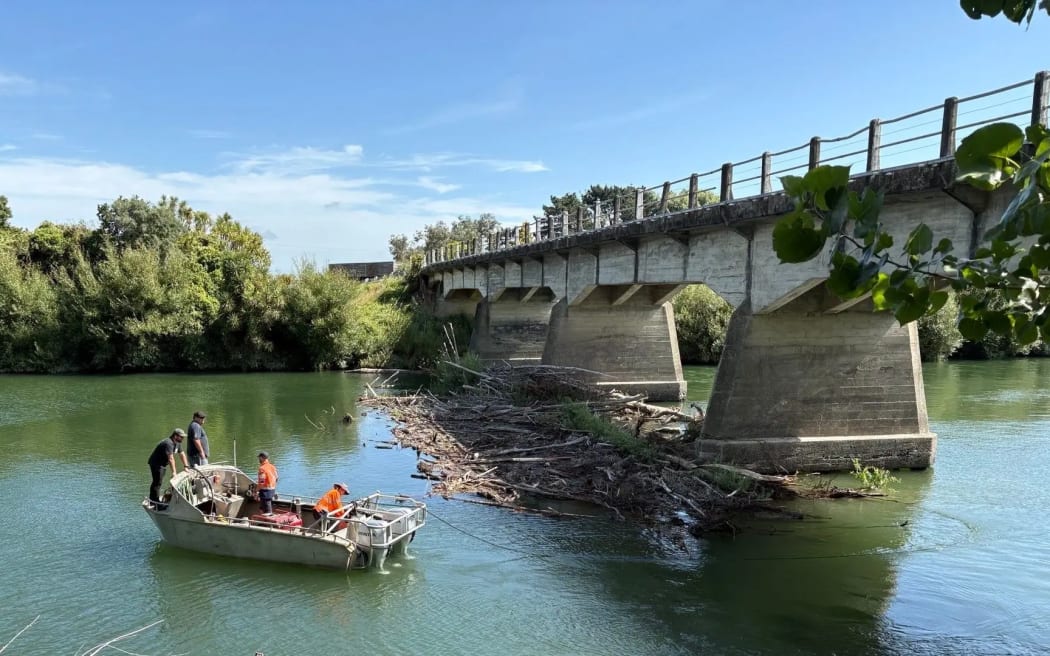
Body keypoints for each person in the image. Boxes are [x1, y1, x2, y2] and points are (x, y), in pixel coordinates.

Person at [147, 429, 188, 506]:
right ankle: (154, 503)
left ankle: (155, 500)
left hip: (163, 464)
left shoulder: (177, 443)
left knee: (159, 482)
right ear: (175, 436)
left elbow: (182, 454)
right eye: (181, 437)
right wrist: (174, 472)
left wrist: (186, 466)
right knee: (157, 482)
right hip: (156, 464)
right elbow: (171, 459)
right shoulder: (168, 443)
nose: (183, 438)